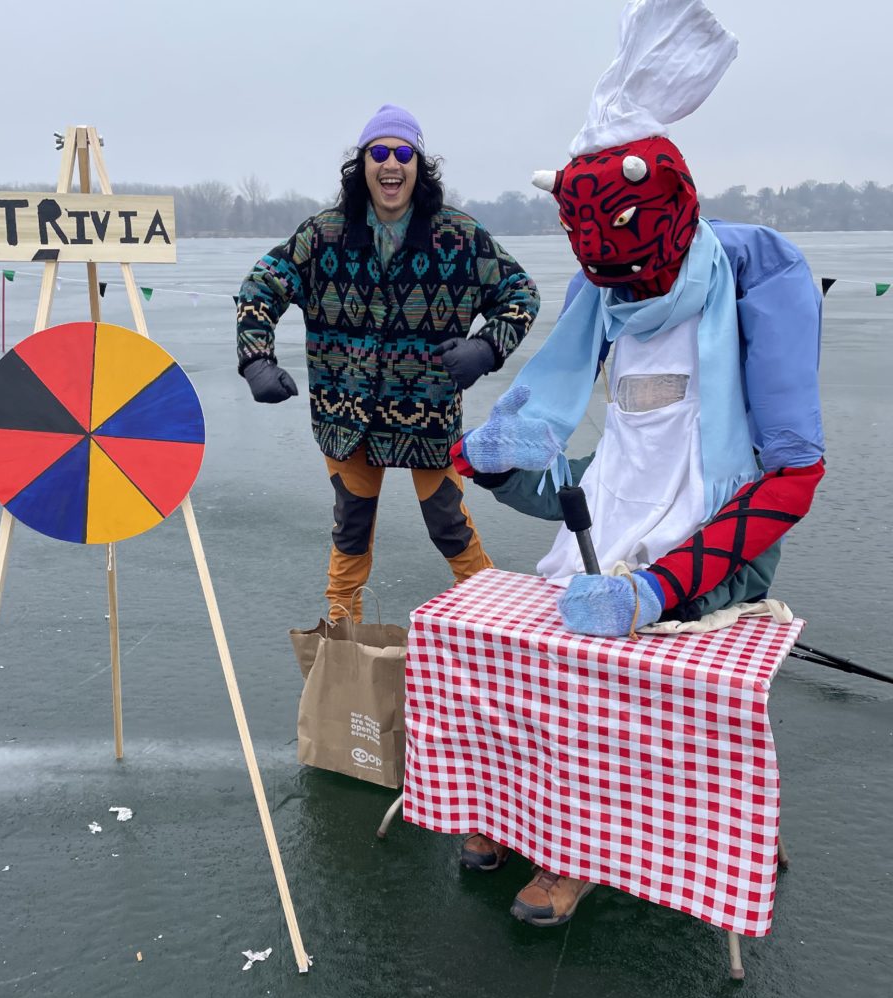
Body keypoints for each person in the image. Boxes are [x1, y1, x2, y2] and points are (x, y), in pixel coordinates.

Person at [451, 0, 825, 926]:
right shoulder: (606, 300)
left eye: (636, 280)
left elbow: (793, 476)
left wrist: (658, 590)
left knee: (616, 681)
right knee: (515, 654)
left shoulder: (760, 280)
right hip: (618, 551)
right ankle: (515, 806)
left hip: (720, 548)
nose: (627, 299)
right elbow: (601, 483)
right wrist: (496, 465)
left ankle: (584, 849)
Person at [236, 105, 540, 622]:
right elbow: (260, 286)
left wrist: (487, 348)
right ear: (363, 165)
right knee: (350, 530)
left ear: (419, 165)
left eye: (403, 153)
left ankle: (492, 624)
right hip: (345, 415)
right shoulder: (324, 234)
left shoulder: (460, 237)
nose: (391, 164)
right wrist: (256, 360)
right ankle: (341, 634)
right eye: (379, 153)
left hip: (426, 418)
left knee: (450, 526)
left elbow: (521, 293)